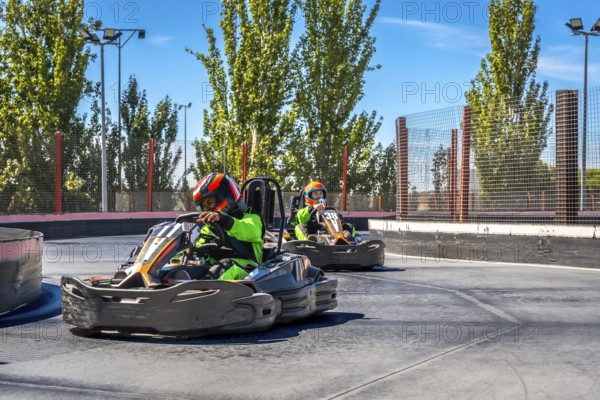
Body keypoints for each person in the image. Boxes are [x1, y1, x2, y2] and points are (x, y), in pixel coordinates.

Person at [193, 173, 264, 280]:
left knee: (224, 268)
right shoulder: (210, 228)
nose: (207, 209)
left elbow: (249, 231)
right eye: (204, 206)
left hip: (249, 270)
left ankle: (203, 291)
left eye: (210, 202)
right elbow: (198, 247)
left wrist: (224, 220)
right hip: (217, 269)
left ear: (226, 195)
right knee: (188, 268)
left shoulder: (251, 218)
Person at [292, 181, 356, 241]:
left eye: (320, 193)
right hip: (314, 234)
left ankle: (346, 239)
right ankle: (310, 242)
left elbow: (338, 220)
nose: (319, 196)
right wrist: (312, 208)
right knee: (299, 227)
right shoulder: (305, 210)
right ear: (309, 196)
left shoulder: (328, 209)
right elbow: (300, 219)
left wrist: (338, 217)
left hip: (330, 231)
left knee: (349, 226)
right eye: (316, 194)